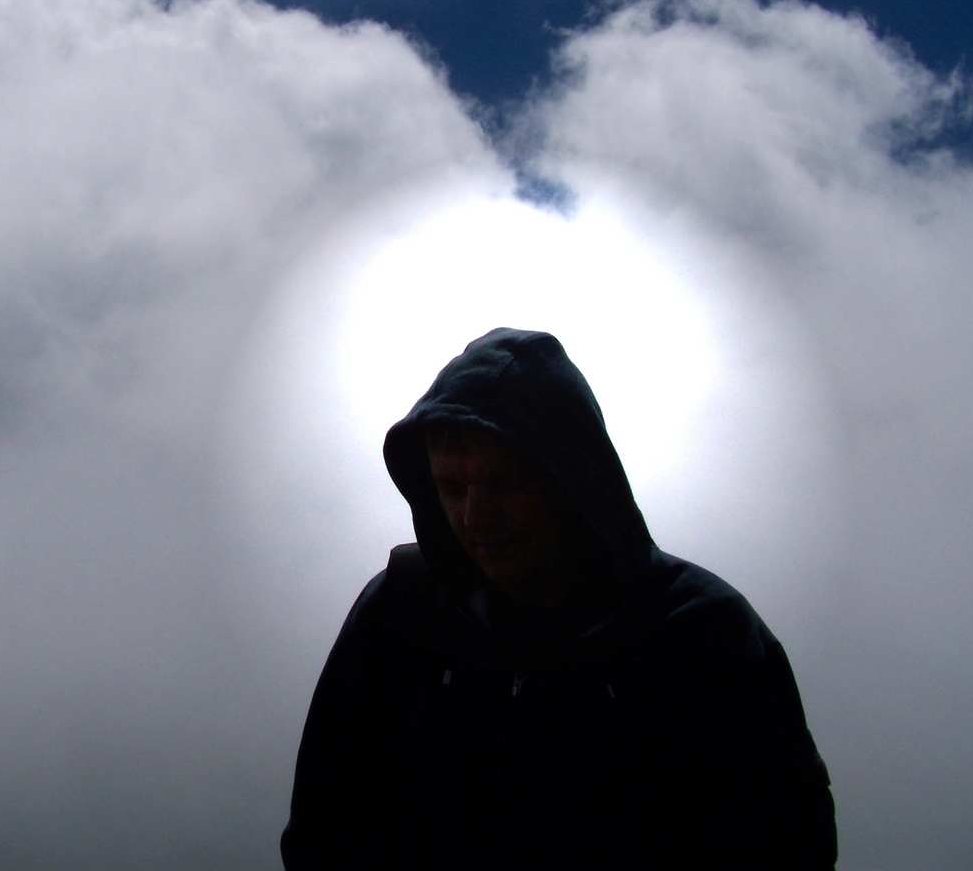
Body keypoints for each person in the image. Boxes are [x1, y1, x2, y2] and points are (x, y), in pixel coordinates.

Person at [281, 328, 836, 869]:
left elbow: (786, 846)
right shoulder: (401, 614)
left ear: (572, 480)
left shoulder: (701, 635)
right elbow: (325, 831)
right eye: (452, 489)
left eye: (503, 484)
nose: (474, 518)